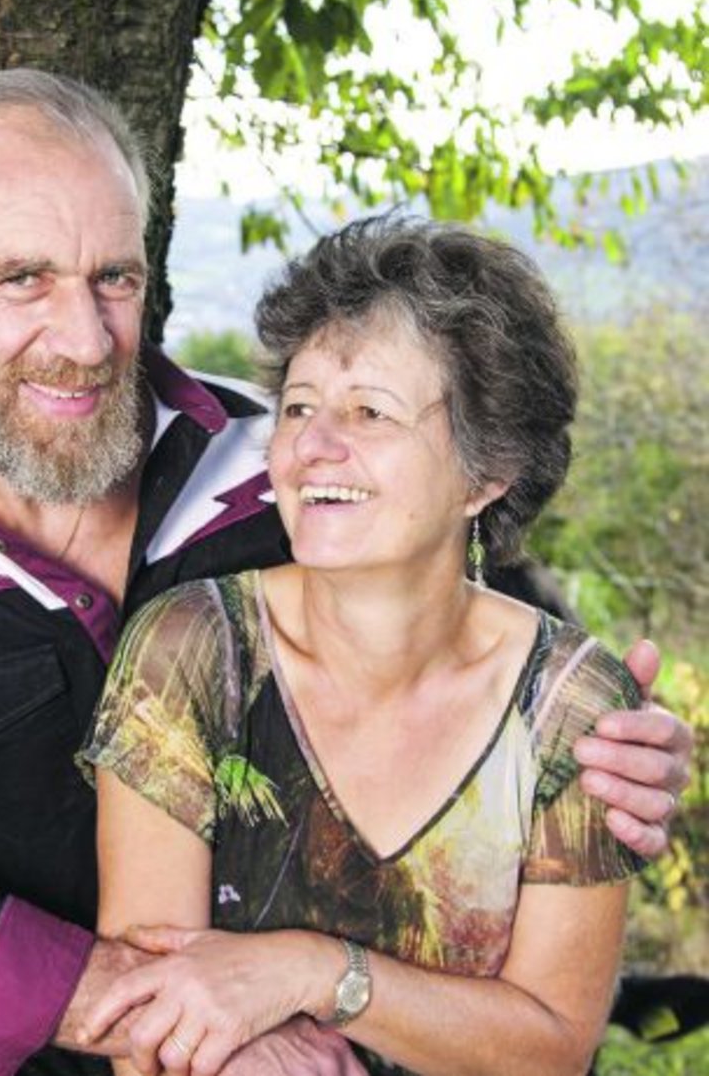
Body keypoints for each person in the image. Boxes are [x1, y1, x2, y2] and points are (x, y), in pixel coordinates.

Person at [0, 70, 692, 1076]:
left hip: (324, 993)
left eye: (112, 277)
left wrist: (603, 747)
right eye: (22, 277)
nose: (82, 341)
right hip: (21, 1001)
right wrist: (157, 1003)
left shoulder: (273, 465)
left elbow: (470, 610)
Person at [81, 216, 653, 1076]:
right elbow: (152, 1024)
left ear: (486, 472)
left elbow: (551, 1050)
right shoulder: (193, 651)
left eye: (371, 412)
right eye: (300, 406)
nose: (312, 447)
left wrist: (314, 972)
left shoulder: (569, 708)